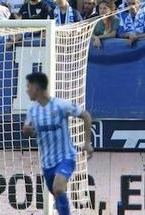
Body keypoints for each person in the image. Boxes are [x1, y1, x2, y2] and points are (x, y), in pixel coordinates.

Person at [22, 72, 93, 215]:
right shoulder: (32, 111)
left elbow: (86, 115)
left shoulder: (61, 105)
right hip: (47, 163)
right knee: (57, 194)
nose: (27, 90)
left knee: (59, 188)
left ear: (36, 88)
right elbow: (31, 131)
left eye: (28, 86)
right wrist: (28, 131)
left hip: (66, 157)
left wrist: (87, 142)